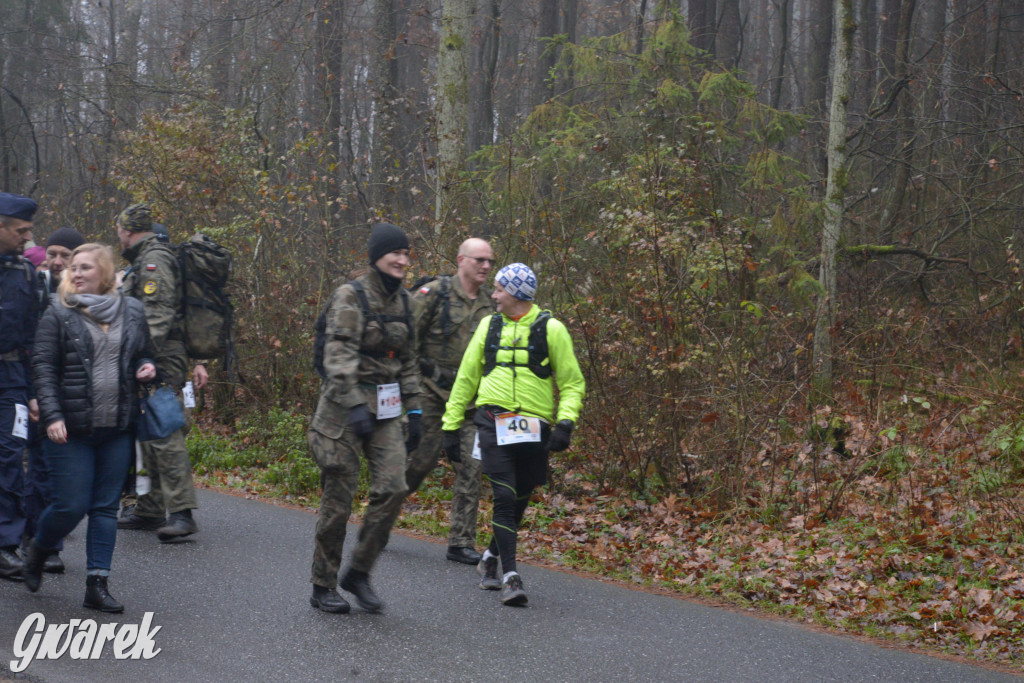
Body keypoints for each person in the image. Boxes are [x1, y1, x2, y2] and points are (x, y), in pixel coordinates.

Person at [441, 263, 585, 606]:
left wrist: (566, 423)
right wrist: (450, 424)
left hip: (535, 425)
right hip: (492, 420)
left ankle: (490, 558)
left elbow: (571, 381)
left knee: (520, 497)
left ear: (517, 294)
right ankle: (510, 575)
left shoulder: (552, 329)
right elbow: (466, 376)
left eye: (499, 290)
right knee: (504, 496)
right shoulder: (488, 327)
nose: (493, 295)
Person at [23, 243, 156, 612]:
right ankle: (39, 548)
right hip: (70, 429)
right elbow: (44, 370)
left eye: (85, 268)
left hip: (118, 425)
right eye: (73, 269)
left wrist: (147, 366)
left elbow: (145, 352)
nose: (76, 273)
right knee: (71, 505)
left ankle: (97, 584)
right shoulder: (58, 313)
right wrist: (52, 416)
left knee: (104, 508)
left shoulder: (132, 311)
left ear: (106, 274)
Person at [308, 222, 421, 614]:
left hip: (386, 409)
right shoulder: (350, 296)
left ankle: (358, 572)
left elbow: (407, 361)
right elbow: (336, 356)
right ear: (377, 256)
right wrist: (355, 402)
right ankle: (323, 584)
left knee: (393, 487)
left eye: (407, 254)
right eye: (396, 253)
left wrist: (417, 407)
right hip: (342, 409)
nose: (403, 260)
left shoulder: (406, 302)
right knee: (339, 498)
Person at [404, 238, 496, 565]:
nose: (485, 266)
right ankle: (379, 517)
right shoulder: (435, 294)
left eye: (490, 261)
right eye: (479, 260)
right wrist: (410, 388)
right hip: (430, 393)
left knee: (472, 466)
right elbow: (406, 342)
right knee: (419, 463)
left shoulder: (491, 303)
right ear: (461, 260)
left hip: (470, 401)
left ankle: (460, 542)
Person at [114, 203, 202, 542]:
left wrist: (140, 356)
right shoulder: (145, 258)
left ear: (128, 230)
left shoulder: (155, 259)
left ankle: (182, 512)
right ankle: (149, 509)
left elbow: (157, 315)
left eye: (120, 232)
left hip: (160, 359)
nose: (119, 238)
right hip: (151, 357)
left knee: (165, 434)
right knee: (147, 434)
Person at [21, 225, 86, 573]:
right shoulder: (32, 286)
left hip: (74, 399)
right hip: (34, 392)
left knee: (59, 474)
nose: (58, 261)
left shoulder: (89, 296)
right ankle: (37, 540)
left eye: (66, 256)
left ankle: (45, 540)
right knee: (37, 468)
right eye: (54, 253)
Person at [0, 192, 40, 581]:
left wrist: (32, 391)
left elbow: (31, 335)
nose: (26, 239)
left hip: (11, 380)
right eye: (20, 231)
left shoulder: (25, 272)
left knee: (11, 458)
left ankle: (5, 546)